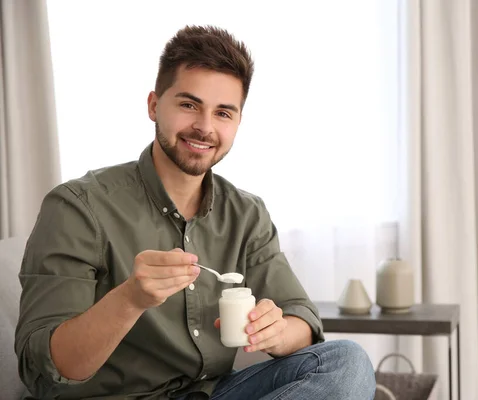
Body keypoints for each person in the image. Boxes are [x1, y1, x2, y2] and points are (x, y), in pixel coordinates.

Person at [14, 25, 376, 400]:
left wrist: (279, 331)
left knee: (346, 361)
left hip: (212, 393)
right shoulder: (78, 207)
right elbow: (45, 368)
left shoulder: (246, 214)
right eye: (189, 105)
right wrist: (131, 298)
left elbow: (301, 317)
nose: (204, 127)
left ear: (237, 122)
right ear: (154, 104)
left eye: (223, 113)